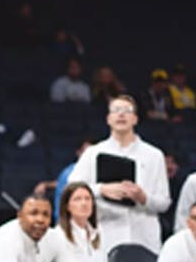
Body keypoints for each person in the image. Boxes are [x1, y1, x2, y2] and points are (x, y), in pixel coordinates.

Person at [68, 95, 170, 253]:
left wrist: (143, 197)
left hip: (144, 238)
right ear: (108, 119)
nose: (121, 115)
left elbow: (164, 202)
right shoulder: (93, 153)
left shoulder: (154, 155)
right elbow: (72, 188)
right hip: (106, 235)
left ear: (135, 119)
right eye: (116, 110)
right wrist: (101, 189)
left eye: (127, 111)